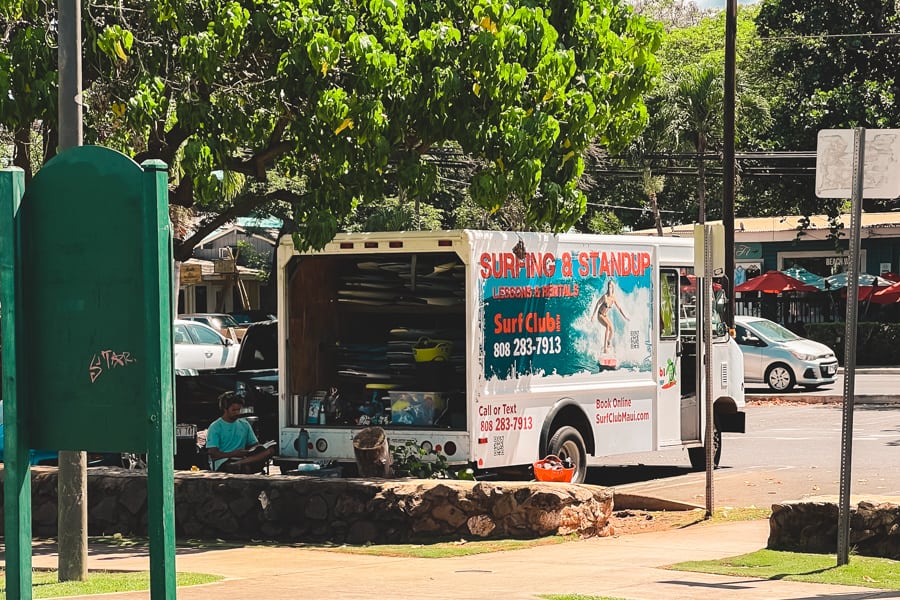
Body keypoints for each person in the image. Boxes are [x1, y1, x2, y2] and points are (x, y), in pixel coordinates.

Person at [207, 391, 274, 473]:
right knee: (246, 468)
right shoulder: (215, 426)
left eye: (238, 410)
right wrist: (233, 454)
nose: (237, 413)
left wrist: (259, 448)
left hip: (244, 458)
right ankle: (238, 464)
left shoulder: (244, 423)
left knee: (269, 451)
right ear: (225, 409)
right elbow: (213, 454)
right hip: (223, 461)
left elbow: (254, 444)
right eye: (234, 410)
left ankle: (238, 463)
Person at [593, 280, 629, 354]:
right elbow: (597, 303)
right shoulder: (605, 297)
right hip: (600, 315)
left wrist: (625, 316)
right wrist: (593, 315)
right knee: (607, 326)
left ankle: (608, 342)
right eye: (608, 287)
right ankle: (605, 348)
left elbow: (619, 308)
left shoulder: (613, 298)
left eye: (611, 287)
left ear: (613, 288)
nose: (609, 289)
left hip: (605, 315)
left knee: (612, 330)